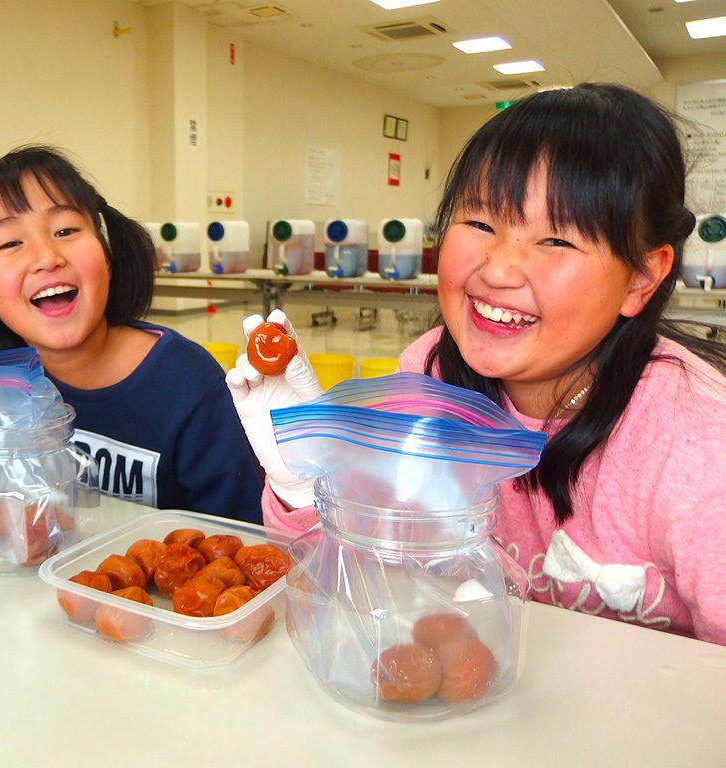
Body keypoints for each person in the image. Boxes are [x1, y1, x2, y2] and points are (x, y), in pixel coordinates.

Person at [230, 83, 726, 644]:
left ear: (640, 277)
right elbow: (363, 586)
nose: (497, 270)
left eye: (556, 240)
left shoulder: (700, 449)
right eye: (482, 224)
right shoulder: (428, 376)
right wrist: (307, 484)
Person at [0, 144, 264, 523]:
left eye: (65, 231)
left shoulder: (186, 381)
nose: (46, 256)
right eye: (10, 243)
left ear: (107, 258)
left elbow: (240, 535)